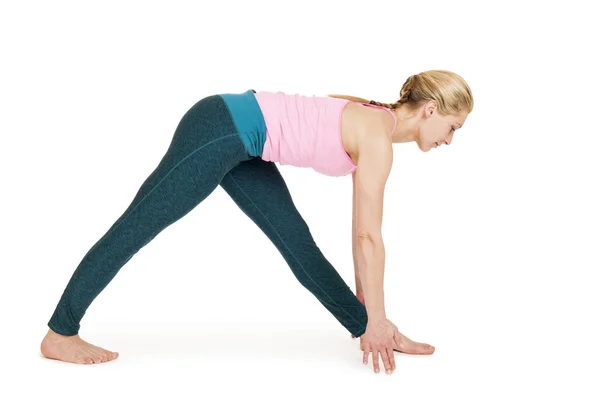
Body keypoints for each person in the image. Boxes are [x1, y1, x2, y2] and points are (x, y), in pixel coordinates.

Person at [40, 69, 473, 375]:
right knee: (137, 226)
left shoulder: (374, 112)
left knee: (298, 246)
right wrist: (375, 313)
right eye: (452, 127)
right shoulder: (377, 138)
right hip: (219, 129)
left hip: (247, 146)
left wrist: (375, 318)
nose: (450, 141)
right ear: (431, 109)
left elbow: (361, 233)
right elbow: (368, 238)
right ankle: (60, 332)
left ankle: (366, 329)